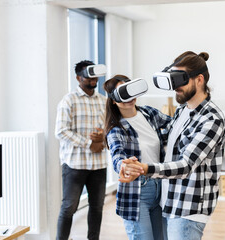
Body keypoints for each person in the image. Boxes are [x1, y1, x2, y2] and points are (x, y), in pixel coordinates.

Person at [121, 51, 225, 240]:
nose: (176, 87)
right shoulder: (182, 111)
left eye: (180, 80)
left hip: (188, 208)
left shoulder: (211, 118)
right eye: (173, 80)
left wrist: (144, 169)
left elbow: (186, 165)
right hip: (171, 201)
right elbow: (167, 148)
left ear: (199, 79)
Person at [104, 75, 172, 240]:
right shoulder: (116, 129)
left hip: (159, 187)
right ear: (113, 100)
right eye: (122, 93)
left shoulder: (148, 113)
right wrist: (124, 166)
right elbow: (117, 155)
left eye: (130, 90)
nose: (128, 97)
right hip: (136, 192)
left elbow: (175, 126)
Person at [55, 60, 107, 240]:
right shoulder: (68, 100)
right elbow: (61, 131)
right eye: (88, 76)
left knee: (97, 207)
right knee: (69, 207)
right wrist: (88, 143)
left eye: (94, 75)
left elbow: (110, 127)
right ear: (78, 78)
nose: (93, 79)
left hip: (99, 164)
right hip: (75, 164)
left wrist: (103, 138)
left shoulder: (104, 100)